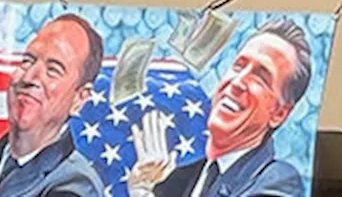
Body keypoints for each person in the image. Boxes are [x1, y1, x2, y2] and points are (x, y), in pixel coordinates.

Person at [127, 19, 312, 197]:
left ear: (279, 113)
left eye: (261, 77)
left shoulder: (279, 181)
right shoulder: (177, 179)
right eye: (239, 66)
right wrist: (141, 187)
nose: (237, 82)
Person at [0, 14, 106, 197]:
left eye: (53, 70)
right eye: (27, 61)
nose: (29, 78)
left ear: (79, 98)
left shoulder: (76, 186)